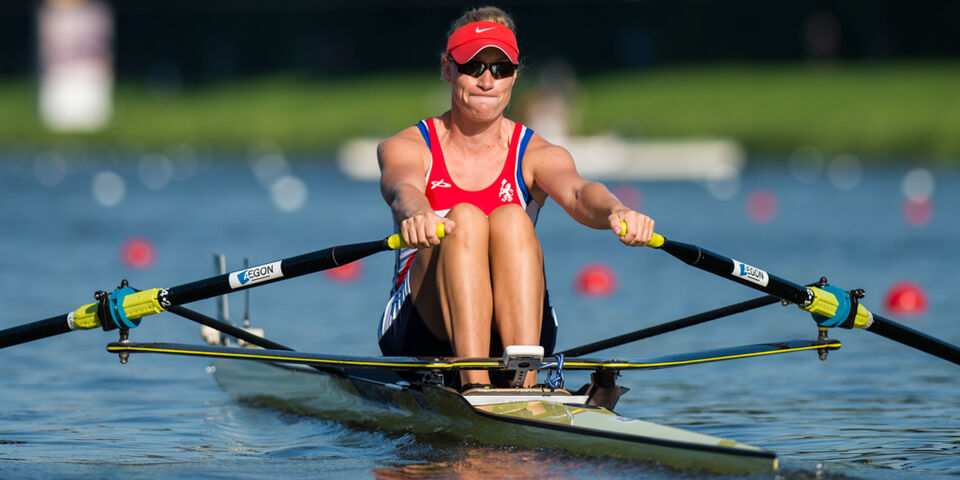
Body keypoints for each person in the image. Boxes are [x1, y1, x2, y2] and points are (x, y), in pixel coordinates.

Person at [377, 6, 655, 390]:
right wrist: (419, 213)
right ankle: (475, 385)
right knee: (466, 219)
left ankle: (524, 386)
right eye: (473, 66)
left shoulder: (538, 153)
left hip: (514, 325)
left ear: (514, 76)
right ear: (447, 69)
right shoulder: (409, 145)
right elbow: (402, 189)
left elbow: (578, 191)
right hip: (423, 328)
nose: (487, 80)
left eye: (500, 68)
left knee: (510, 217)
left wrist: (617, 209)